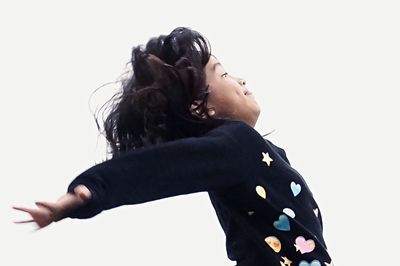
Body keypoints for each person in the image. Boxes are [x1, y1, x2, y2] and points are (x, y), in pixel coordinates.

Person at [13, 26, 333, 266]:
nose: (242, 80)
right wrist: (93, 190)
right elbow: (164, 168)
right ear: (200, 107)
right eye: (224, 74)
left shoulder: (258, 155)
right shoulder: (238, 144)